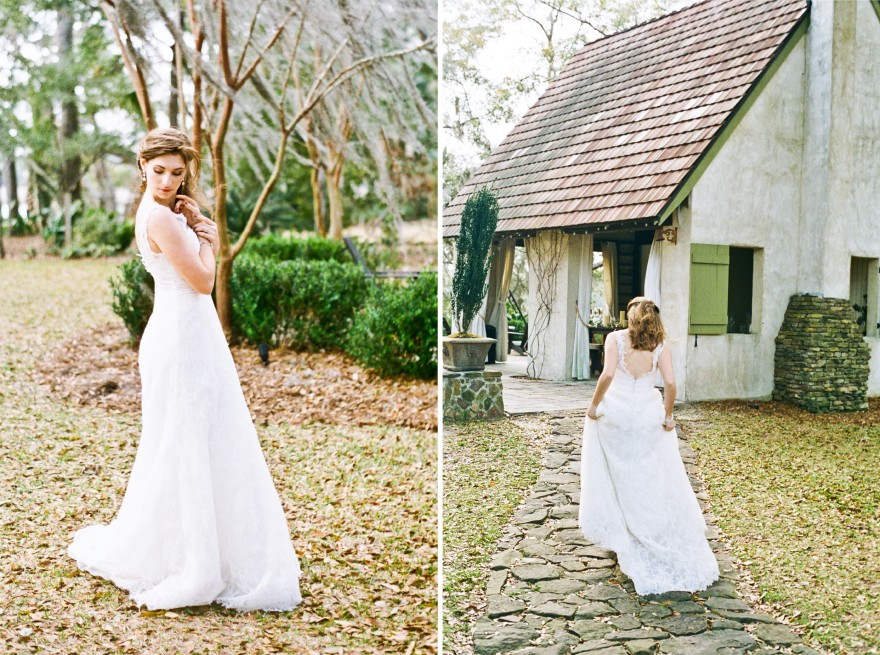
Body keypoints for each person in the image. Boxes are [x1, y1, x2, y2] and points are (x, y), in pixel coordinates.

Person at [67, 127, 302, 612]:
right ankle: (196, 560)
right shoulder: (161, 219)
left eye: (177, 172)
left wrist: (194, 225)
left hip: (184, 333)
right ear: (142, 168)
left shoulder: (159, 213)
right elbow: (201, 282)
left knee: (193, 437)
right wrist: (209, 239)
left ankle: (204, 548)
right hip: (183, 334)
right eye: (159, 171)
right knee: (188, 439)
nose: (169, 180)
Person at [579, 296, 718, 595]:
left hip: (616, 416)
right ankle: (645, 529)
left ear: (631, 317)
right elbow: (670, 385)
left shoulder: (614, 339)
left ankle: (625, 532)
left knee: (619, 475)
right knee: (649, 476)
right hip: (646, 418)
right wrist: (668, 416)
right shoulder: (661, 346)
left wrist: (593, 406)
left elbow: (607, 375)